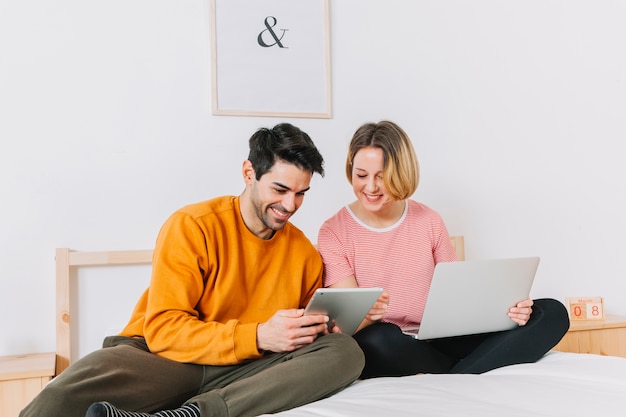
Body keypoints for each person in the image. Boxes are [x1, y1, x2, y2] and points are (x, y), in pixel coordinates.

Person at [21, 123, 364, 417]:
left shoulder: (304, 252)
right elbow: (164, 329)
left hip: (246, 370)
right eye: (280, 189)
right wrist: (257, 335)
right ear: (249, 173)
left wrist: (330, 323)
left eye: (301, 193)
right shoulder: (192, 225)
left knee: (345, 353)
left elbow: (301, 336)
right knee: (57, 399)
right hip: (164, 360)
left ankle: (193, 413)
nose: (290, 205)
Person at [317, 120, 569, 378]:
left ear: (401, 172)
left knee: (552, 312)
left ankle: (458, 377)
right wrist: (369, 315)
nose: (370, 187)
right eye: (361, 175)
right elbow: (347, 326)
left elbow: (459, 296)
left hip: (442, 338)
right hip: (391, 344)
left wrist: (509, 311)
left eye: (381, 177)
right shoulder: (334, 232)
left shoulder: (429, 220)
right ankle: (478, 366)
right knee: (376, 340)